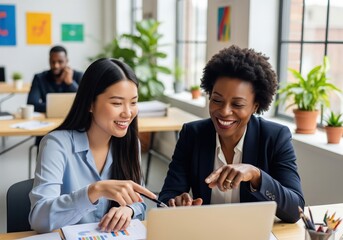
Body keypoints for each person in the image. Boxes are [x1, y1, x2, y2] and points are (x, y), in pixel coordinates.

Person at [158, 45, 305, 223]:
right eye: (217, 100)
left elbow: (295, 211)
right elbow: (167, 197)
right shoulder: (192, 134)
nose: (225, 112)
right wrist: (176, 202)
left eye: (237, 104)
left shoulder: (274, 137)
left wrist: (256, 175)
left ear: (255, 106)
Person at [29, 58, 157, 233]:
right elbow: (39, 219)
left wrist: (128, 209)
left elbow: (138, 202)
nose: (128, 112)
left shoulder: (130, 143)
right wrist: (94, 191)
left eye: (133, 102)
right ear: (90, 103)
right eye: (117, 103)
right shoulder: (56, 144)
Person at [27, 45, 83, 112]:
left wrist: (70, 83)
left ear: (67, 61)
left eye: (60, 62)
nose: (56, 66)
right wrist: (64, 108)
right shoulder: (39, 78)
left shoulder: (78, 76)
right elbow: (31, 104)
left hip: (72, 118)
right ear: (49, 61)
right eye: (52, 62)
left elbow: (84, 102)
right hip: (48, 118)